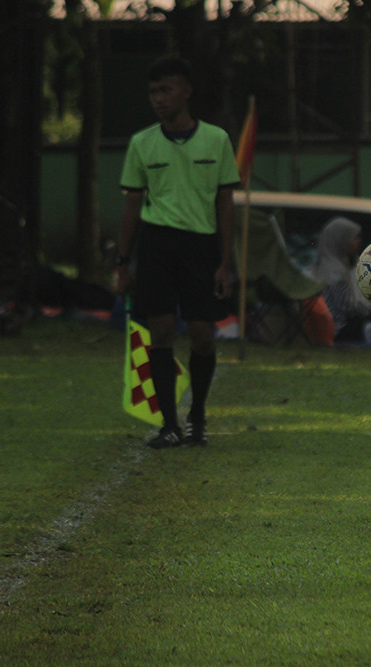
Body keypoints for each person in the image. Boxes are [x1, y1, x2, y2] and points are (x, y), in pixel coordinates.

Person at [113, 55, 240, 449]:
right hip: (157, 245)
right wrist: (123, 261)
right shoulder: (142, 142)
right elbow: (133, 203)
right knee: (161, 333)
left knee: (203, 336)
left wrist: (224, 261)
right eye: (153, 92)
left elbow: (225, 202)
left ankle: (197, 414)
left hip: (200, 247)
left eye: (166, 89)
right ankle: (169, 423)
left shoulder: (215, 139)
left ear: (186, 91)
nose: (159, 99)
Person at [309, 216, 371, 344]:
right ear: (341, 239)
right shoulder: (334, 272)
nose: (358, 242)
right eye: (354, 238)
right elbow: (348, 307)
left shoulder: (335, 265)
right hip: (339, 330)